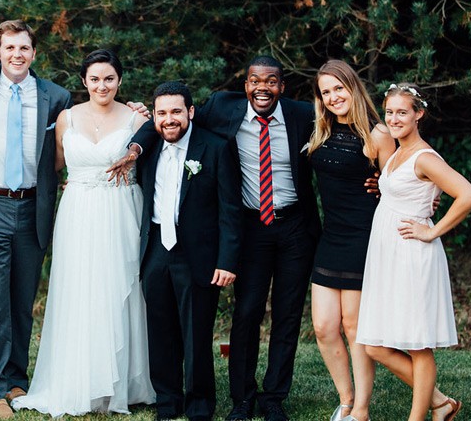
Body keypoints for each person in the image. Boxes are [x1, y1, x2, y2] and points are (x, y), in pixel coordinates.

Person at [110, 56, 321, 421]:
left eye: (271, 82)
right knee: (246, 313)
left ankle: (273, 398)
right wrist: (135, 147)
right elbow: (160, 124)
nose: (262, 88)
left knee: (287, 317)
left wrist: (381, 176)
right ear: (245, 85)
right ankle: (240, 398)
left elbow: (345, 139)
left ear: (282, 87)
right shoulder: (221, 108)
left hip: (294, 226)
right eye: (255, 81)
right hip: (251, 226)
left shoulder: (304, 115)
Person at [12, 49, 155, 416]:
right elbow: (55, 166)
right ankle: (79, 380)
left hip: (121, 208)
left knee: (119, 287)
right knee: (80, 291)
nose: (102, 85)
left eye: (109, 78)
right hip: (77, 212)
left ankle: (123, 383)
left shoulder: (138, 117)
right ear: (83, 82)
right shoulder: (66, 118)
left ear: (120, 80)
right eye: (94, 79)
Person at [0, 19, 72, 419]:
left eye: (24, 48)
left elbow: (89, 123)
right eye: (9, 48)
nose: (16, 55)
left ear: (34, 53)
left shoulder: (56, 96)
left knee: (21, 300)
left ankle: (14, 378)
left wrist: (136, 110)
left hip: (31, 207)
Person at [356, 83, 471, 421]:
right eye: (390, 112)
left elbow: (468, 195)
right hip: (388, 254)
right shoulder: (397, 153)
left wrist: (432, 230)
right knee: (374, 345)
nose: (394, 119)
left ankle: (418, 418)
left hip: (413, 254)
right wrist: (382, 186)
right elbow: (406, 193)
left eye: (402, 112)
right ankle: (440, 403)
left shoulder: (425, 156)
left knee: (416, 343)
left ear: (418, 114)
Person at [137, 81, 241, 421]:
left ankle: (199, 405)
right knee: (160, 330)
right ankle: (167, 402)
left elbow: (230, 209)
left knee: (196, 333)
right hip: (155, 249)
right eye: (162, 113)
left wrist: (227, 260)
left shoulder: (215, 147)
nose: (169, 120)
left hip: (198, 254)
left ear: (191, 112)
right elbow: (139, 136)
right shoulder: (149, 147)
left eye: (176, 112)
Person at [306, 61, 395, 421]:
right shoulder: (321, 132)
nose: (333, 97)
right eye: (326, 92)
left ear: (353, 88)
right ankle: (345, 398)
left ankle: (361, 409)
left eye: (338, 88)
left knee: (354, 327)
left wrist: (429, 199)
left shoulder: (379, 134)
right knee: (324, 327)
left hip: (364, 236)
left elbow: (400, 183)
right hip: (332, 237)